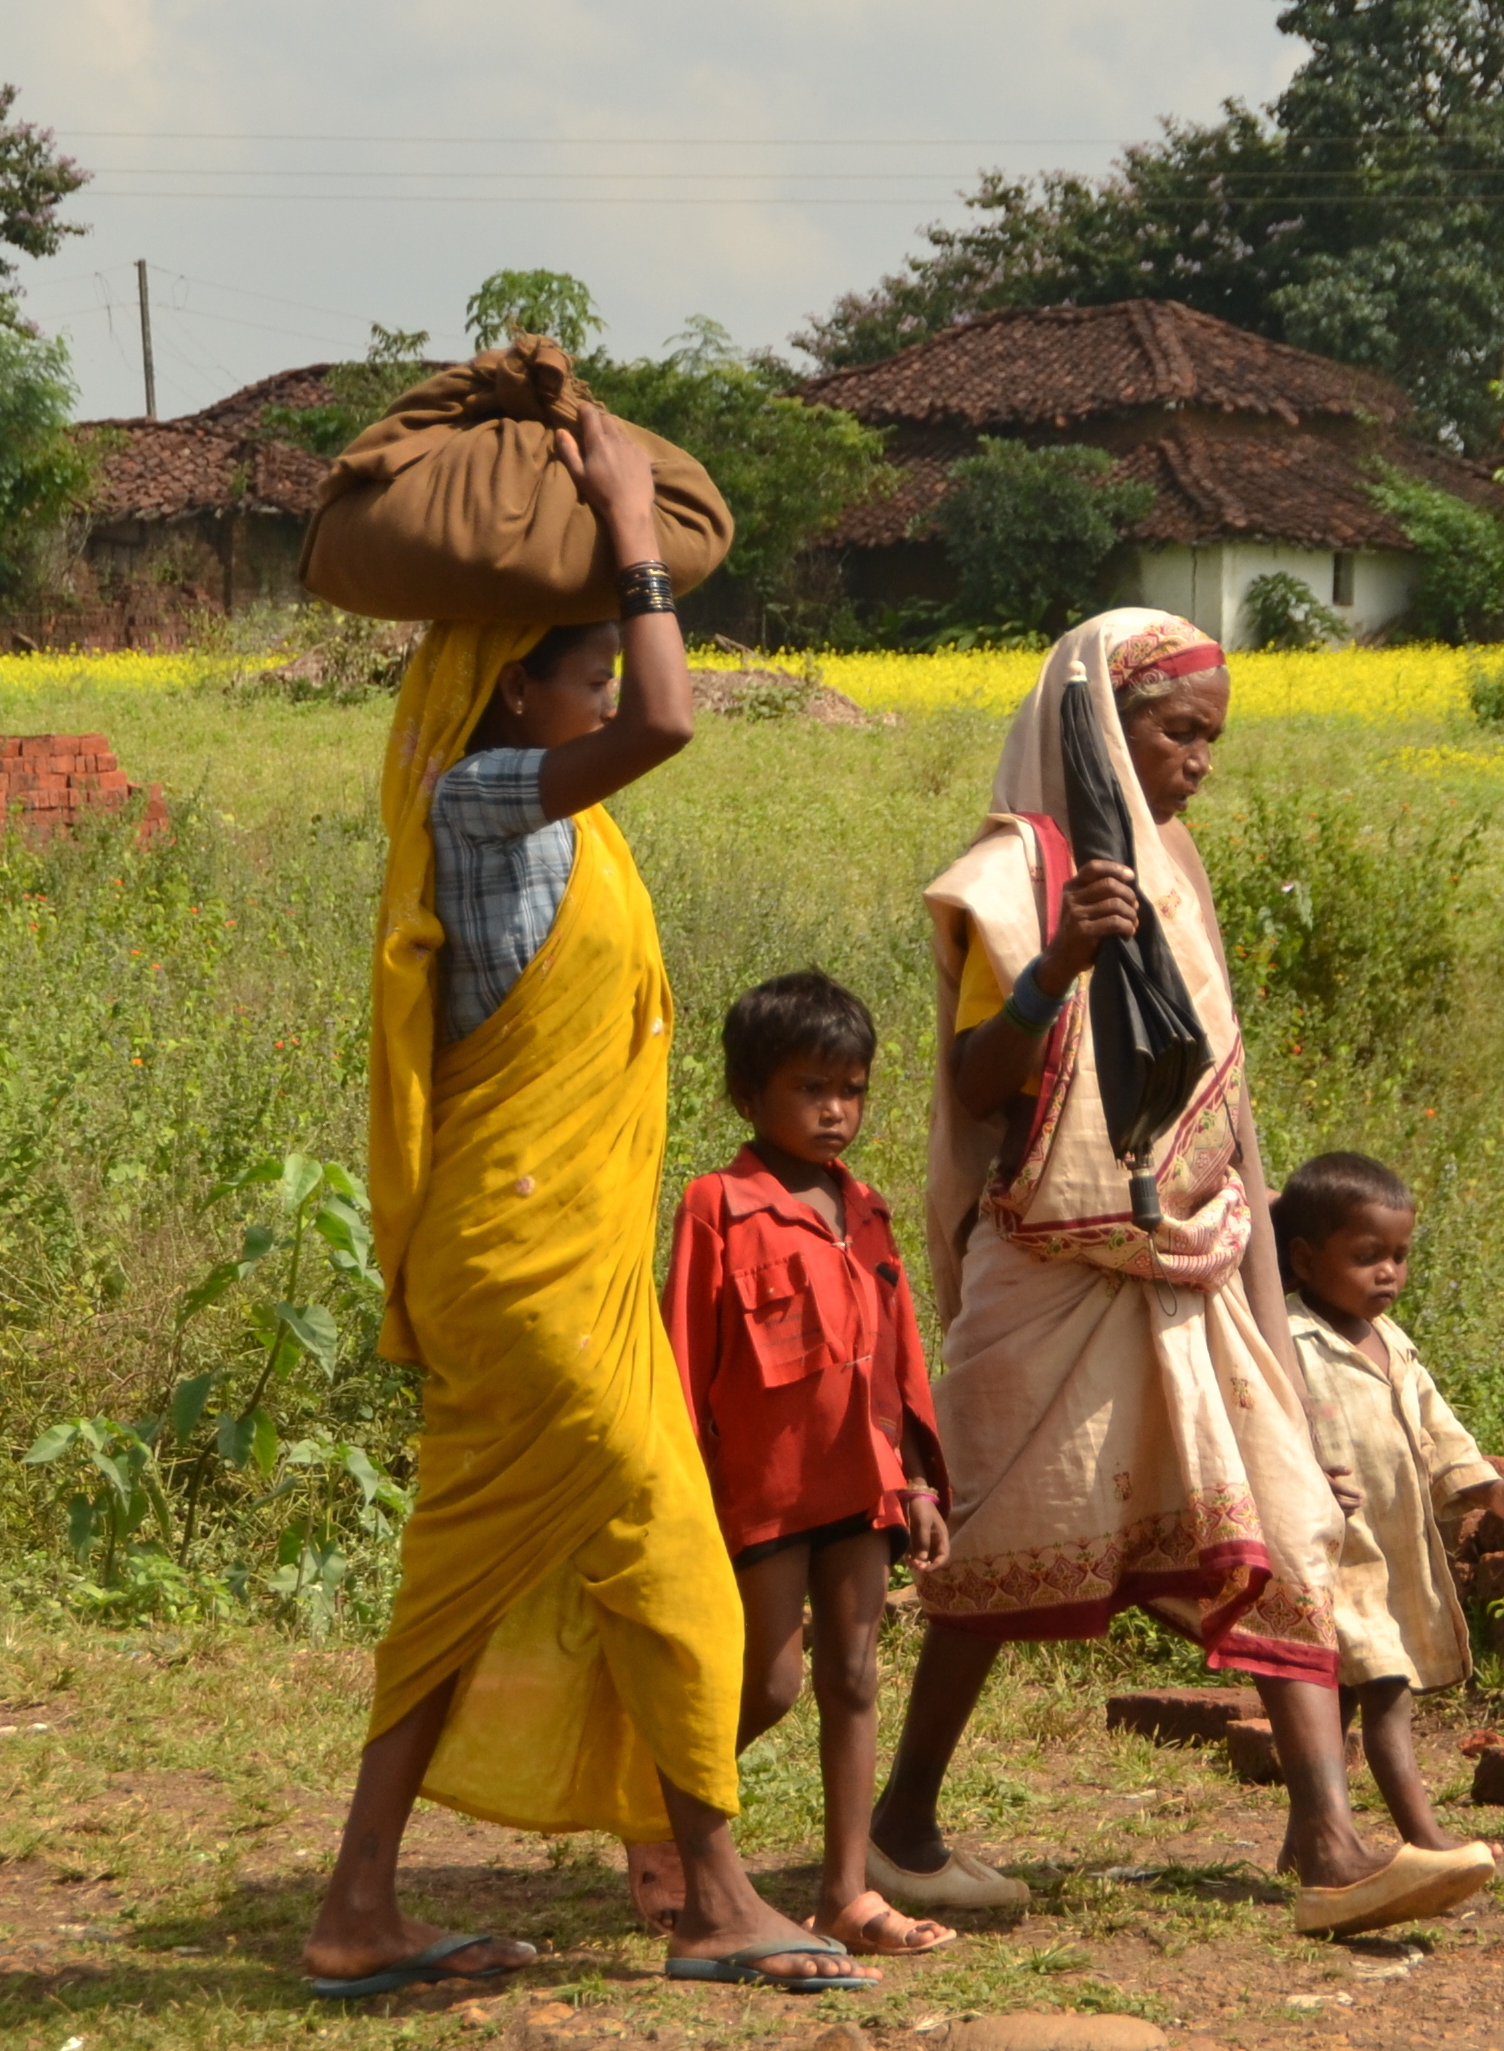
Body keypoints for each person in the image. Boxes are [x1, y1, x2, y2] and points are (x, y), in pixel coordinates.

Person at [300, 405, 871, 1998]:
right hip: (524, 1260)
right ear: (514, 691)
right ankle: (716, 1897)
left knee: (465, 1572)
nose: (611, 685)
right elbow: (678, 718)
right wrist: (631, 527)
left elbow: (644, 731)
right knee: (664, 1540)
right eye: (586, 668)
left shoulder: (561, 817)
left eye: (606, 665)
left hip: (553, 1261)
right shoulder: (487, 795)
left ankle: (359, 1902)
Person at [872, 608, 1498, 1939]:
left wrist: (1264, 1296)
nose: (1197, 760)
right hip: (1051, 1270)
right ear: (1102, 723)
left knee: (1276, 1520)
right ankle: (903, 1820)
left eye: (1213, 736)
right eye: (1176, 729)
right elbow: (975, 1086)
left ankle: (1329, 1838)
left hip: (1192, 1260)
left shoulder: (1181, 867)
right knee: (998, 1549)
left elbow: (1221, 1101)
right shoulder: (1011, 873)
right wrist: (1059, 965)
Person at [621, 970, 955, 1965]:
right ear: (746, 1096)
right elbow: (685, 1356)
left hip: (861, 1480)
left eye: (851, 1089)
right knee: (769, 1681)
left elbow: (900, 1353)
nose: (835, 1111)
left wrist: (922, 1479)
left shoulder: (868, 1213)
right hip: (761, 1492)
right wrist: (675, 1495)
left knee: (853, 1675)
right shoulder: (717, 1205)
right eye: (812, 1088)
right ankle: (664, 1813)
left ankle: (845, 1891)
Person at [1274, 1151, 1504, 1854]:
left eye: (1400, 1256)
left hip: (1392, 1559)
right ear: (1306, 1261)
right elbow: (1262, 1428)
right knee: (1388, 1700)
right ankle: (1427, 1841)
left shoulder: (1393, 1343)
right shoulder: (1286, 1339)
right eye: (1368, 1255)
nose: (1389, 1273)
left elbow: (1438, 1430)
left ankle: (1308, 1837)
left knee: (1336, 1707)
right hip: (1333, 1558)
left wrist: (1493, 1488)